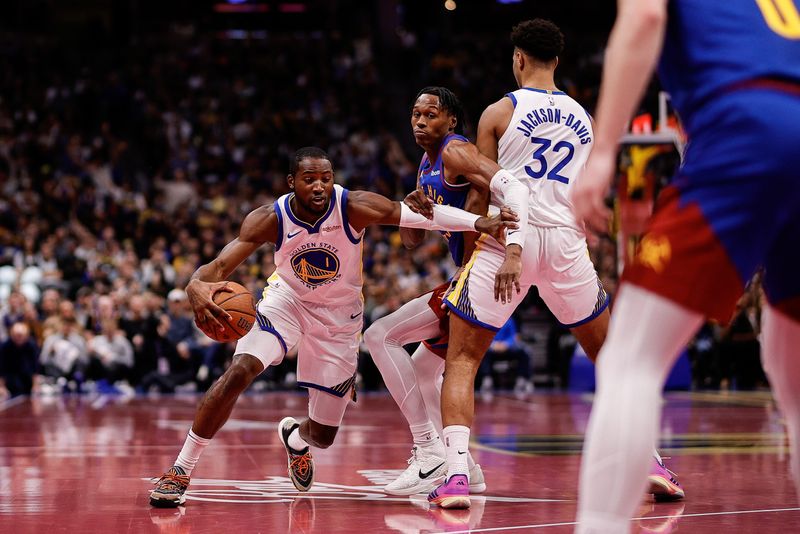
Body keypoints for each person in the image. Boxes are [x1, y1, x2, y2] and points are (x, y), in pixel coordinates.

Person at [148, 146, 522, 507]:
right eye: (309, 179)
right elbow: (216, 268)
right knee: (239, 372)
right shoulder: (270, 218)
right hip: (288, 302)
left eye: (326, 178)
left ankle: (296, 438)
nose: (319, 186)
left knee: (323, 436)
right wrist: (195, 285)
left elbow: (415, 215)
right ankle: (181, 469)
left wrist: (479, 222)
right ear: (291, 181)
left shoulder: (353, 206)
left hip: (340, 320)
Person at [569, 1, 800, 532]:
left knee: (629, 357)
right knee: (792, 369)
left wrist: (604, 151)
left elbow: (645, 16)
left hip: (745, 126)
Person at [427, 19, 619, 510]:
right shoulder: (584, 116)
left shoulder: (499, 111)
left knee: (464, 360)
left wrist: (456, 226)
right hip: (566, 243)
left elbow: (481, 189)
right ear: (557, 60)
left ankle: (454, 478)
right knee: (611, 360)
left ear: (518, 59)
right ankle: (649, 462)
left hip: (511, 238)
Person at [364, 86, 501, 497]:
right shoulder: (426, 164)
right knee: (424, 369)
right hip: (468, 274)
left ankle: (429, 454)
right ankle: (466, 468)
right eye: (415, 115)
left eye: (430, 114)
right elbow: (410, 242)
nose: (420, 122)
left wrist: (476, 219)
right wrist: (414, 210)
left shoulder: (457, 151)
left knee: (378, 335)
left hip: (478, 273)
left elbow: (492, 189)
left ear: (451, 121)